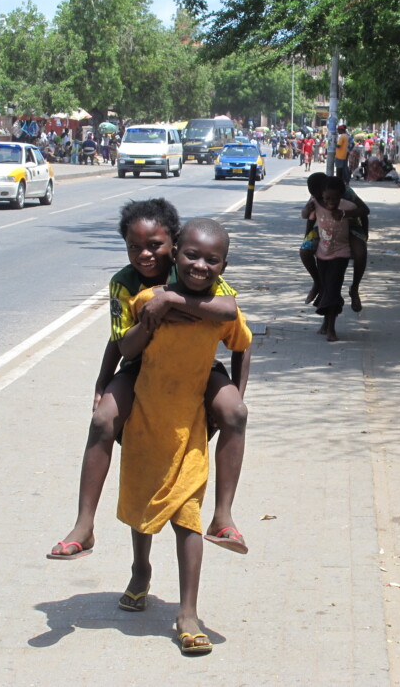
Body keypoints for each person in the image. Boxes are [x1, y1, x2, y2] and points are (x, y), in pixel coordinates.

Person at [48, 199, 251, 561]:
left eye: (154, 245)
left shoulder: (195, 268)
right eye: (134, 247)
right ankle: (84, 524)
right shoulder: (125, 283)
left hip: (195, 366)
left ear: (173, 243)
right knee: (102, 420)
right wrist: (102, 380)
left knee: (235, 411)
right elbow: (121, 341)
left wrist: (170, 299)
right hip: (142, 365)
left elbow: (230, 312)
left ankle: (223, 517)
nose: (145, 255)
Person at [116, 217, 252, 655]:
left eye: (212, 260)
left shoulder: (221, 304)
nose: (200, 266)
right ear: (175, 254)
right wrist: (154, 314)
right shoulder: (146, 297)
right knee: (144, 503)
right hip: (148, 416)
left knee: (186, 515)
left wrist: (236, 394)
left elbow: (239, 336)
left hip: (189, 422)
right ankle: (140, 572)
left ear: (224, 266)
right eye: (191, 255)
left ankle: (188, 612)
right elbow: (126, 348)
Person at [301, 176, 369, 341]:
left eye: (319, 196)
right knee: (305, 251)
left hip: (350, 225)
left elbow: (364, 211)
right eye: (317, 197)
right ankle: (317, 282)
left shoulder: (345, 193)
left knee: (360, 253)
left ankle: (354, 289)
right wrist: (306, 236)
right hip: (325, 232)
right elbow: (309, 216)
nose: (321, 200)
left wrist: (346, 215)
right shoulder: (318, 196)